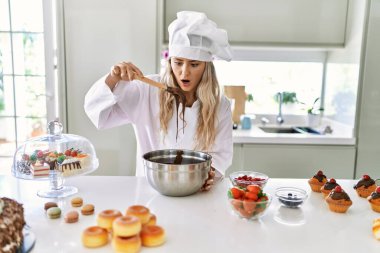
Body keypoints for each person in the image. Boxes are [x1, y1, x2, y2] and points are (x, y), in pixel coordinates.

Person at [84, 11, 233, 191]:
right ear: (170, 62)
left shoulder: (220, 105)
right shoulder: (147, 91)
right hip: (150, 190)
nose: (184, 73)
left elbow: (221, 154)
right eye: (178, 62)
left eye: (194, 64)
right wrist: (113, 78)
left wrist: (211, 171)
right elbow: (100, 116)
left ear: (206, 66)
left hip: (197, 191)